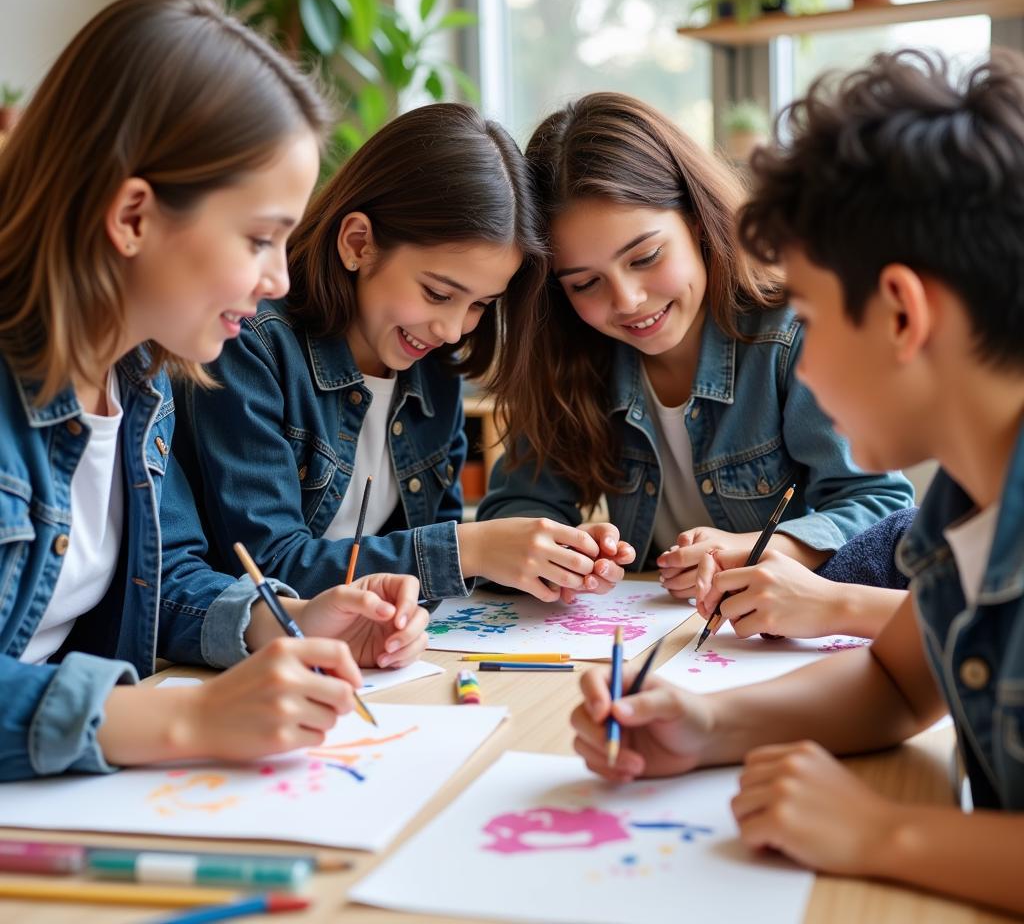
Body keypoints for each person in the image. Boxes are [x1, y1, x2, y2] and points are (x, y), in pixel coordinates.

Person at [570, 50, 1024, 914]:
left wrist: (880, 834)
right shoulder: (970, 500)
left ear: (901, 312)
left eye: (808, 317)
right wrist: (703, 728)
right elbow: (895, 683)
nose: (802, 365)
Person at [0, 0, 425, 782]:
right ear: (132, 217)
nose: (280, 279)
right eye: (261, 237)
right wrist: (188, 715)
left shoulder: (140, 383)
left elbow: (165, 581)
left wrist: (285, 621)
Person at [478, 91, 913, 622]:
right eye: (585, 283)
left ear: (699, 222)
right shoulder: (570, 354)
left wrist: (766, 548)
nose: (627, 301)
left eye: (646, 257)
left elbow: (882, 510)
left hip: (781, 641)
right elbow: (517, 511)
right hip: (650, 642)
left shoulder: (793, 334)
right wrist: (557, 553)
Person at [172, 103, 615, 606]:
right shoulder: (249, 342)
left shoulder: (432, 369)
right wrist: (469, 548)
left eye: (481, 305)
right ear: (358, 243)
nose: (452, 330)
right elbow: (264, 568)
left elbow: (425, 562)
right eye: (438, 293)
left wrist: (547, 556)